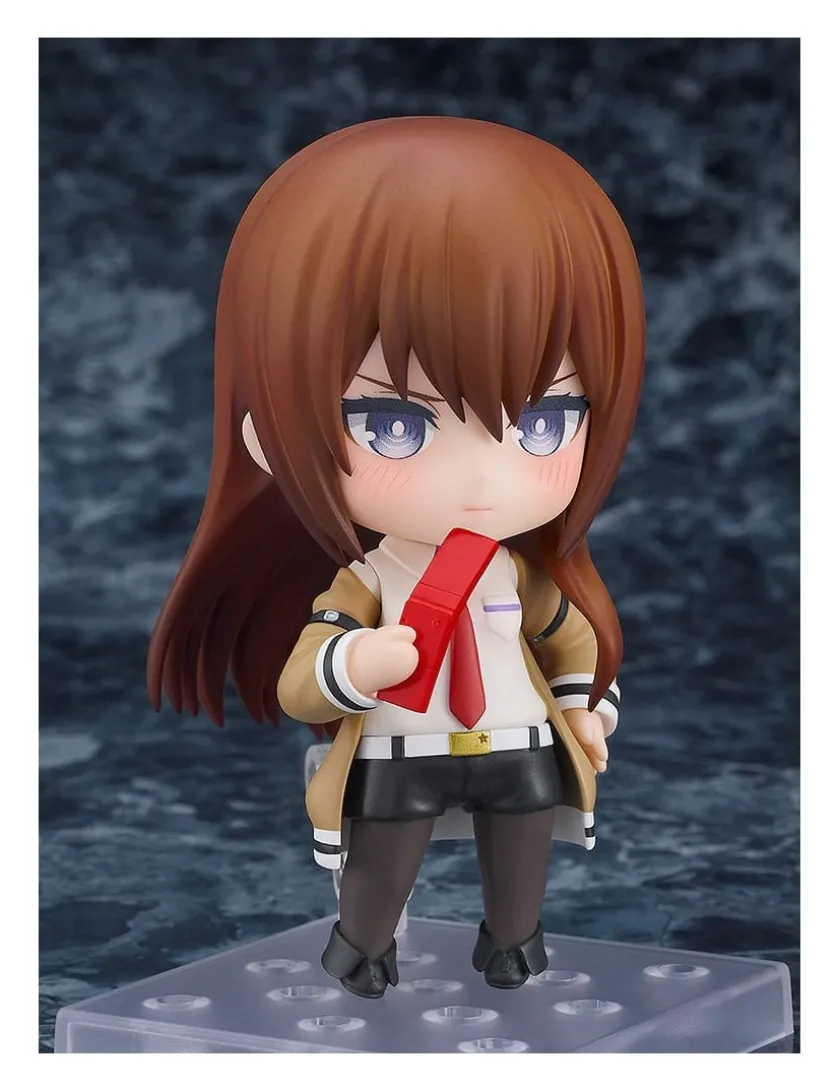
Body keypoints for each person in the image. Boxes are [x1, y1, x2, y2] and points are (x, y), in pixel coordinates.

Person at [148, 116, 646, 1000]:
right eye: (394, 424)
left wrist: (583, 707)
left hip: (517, 741)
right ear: (269, 437)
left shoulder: (520, 577)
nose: (483, 478)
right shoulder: (368, 582)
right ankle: (363, 950)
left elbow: (569, 640)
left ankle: (514, 946)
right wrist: (357, 664)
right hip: (399, 747)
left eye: (545, 421)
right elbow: (302, 684)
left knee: (522, 852)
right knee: (385, 861)